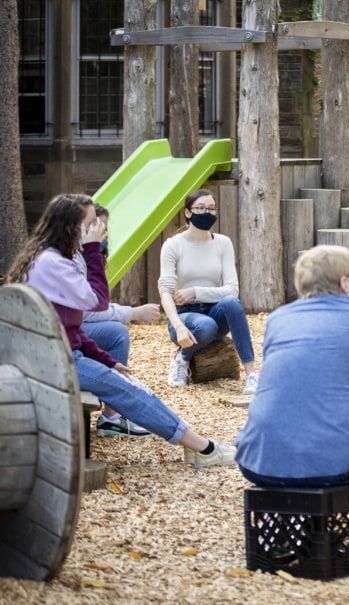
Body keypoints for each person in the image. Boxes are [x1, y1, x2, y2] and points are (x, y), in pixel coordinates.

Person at [8, 193, 236, 469]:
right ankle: (203, 448)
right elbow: (98, 301)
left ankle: (197, 445)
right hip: (53, 361)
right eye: (92, 223)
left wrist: (106, 359)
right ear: (71, 226)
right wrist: (92, 249)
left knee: (126, 382)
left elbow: (70, 328)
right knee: (128, 390)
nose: (99, 229)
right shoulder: (53, 264)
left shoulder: (48, 257)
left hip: (52, 353)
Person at [236, 245, 349, 547]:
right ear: (346, 282)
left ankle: (286, 524)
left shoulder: (278, 319)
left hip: (260, 463)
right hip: (346, 466)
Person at [158, 189, 259, 393]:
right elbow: (165, 292)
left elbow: (232, 289)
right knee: (205, 326)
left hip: (216, 311)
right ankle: (182, 358)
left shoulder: (223, 243)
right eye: (201, 208)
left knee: (231, 303)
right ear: (188, 213)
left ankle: (251, 375)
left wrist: (194, 291)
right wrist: (177, 326)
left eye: (211, 208)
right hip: (184, 315)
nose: (207, 212)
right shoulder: (172, 246)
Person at [80, 203, 162, 437]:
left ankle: (114, 412)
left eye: (104, 229)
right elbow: (90, 310)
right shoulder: (76, 259)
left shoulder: (90, 256)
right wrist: (133, 313)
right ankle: (112, 416)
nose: (102, 234)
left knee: (114, 331)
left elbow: (96, 305)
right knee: (117, 333)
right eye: (97, 226)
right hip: (61, 331)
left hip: (70, 328)